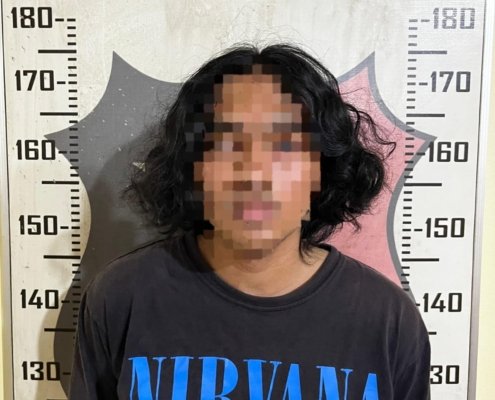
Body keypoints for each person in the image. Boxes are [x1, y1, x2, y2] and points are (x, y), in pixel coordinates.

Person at [69, 43, 431, 399]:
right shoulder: (122, 299)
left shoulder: (387, 322)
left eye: (285, 146)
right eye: (227, 144)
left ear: (321, 172)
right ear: (195, 169)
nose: (255, 174)